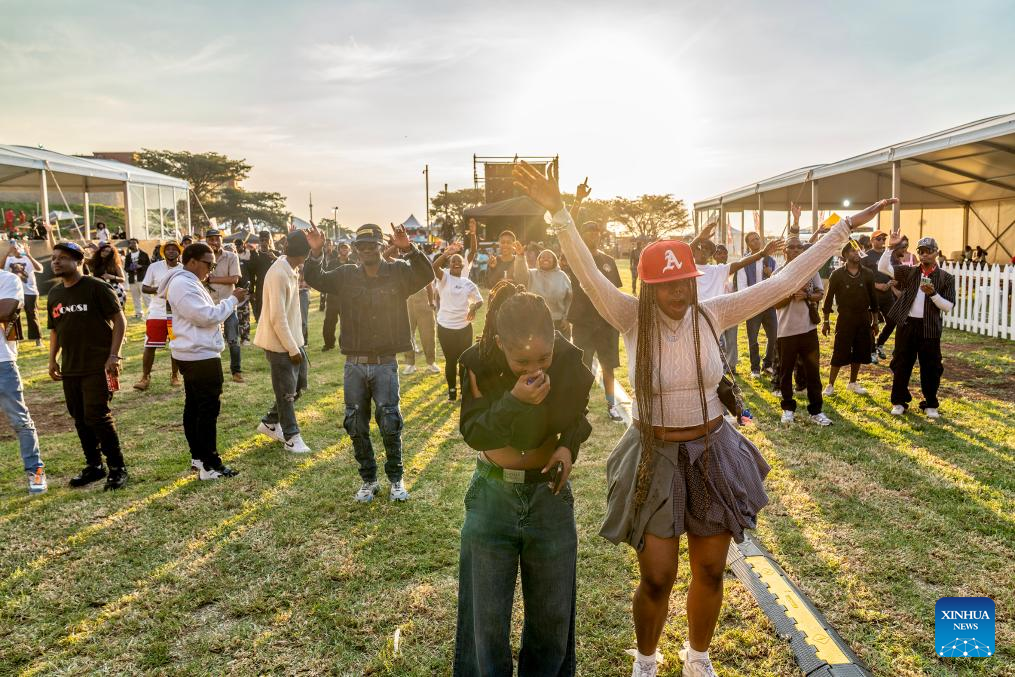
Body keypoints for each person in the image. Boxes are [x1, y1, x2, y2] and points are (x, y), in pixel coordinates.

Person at [513, 163, 897, 677]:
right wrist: (560, 213)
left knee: (711, 570)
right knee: (657, 576)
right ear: (648, 287)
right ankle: (646, 662)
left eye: (685, 283)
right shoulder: (629, 316)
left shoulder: (714, 313)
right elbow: (587, 272)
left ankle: (698, 656)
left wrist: (843, 229)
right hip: (653, 454)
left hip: (712, 450)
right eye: (667, 285)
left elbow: (785, 278)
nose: (679, 293)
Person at [454, 282, 594, 677]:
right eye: (522, 361)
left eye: (543, 358)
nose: (534, 369)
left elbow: (577, 414)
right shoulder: (479, 362)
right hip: (492, 497)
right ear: (500, 344)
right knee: (485, 621)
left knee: (552, 619)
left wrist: (567, 447)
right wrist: (513, 402)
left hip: (548, 497)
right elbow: (475, 432)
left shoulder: (567, 361)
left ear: (556, 338)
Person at [303, 222, 434, 502]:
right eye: (361, 246)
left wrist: (409, 249)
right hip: (354, 364)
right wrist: (315, 252)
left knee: (390, 421)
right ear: (356, 250)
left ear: (380, 246)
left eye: (372, 245)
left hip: (385, 363)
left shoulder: (398, 272)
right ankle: (369, 480)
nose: (366, 250)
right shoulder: (346, 275)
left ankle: (396, 479)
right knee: (355, 423)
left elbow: (426, 273)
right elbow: (316, 278)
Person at [160, 242, 247, 478]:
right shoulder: (182, 284)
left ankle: (199, 458)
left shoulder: (187, 281)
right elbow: (205, 316)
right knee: (206, 410)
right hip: (199, 355)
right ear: (192, 262)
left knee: (196, 407)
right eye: (209, 264)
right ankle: (210, 464)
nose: (212, 269)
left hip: (195, 352)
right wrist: (232, 301)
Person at [47, 241, 129, 491]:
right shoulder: (55, 294)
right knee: (80, 418)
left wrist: (114, 355)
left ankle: (117, 468)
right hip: (71, 366)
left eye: (62, 258)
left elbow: (120, 320)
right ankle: (94, 466)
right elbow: (55, 330)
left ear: (79, 261)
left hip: (98, 364)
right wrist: (52, 359)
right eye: (54, 258)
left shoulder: (97, 287)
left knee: (97, 415)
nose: (56, 262)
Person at [880, 235, 955, 419]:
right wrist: (890, 247)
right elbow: (883, 268)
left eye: (928, 251)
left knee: (931, 367)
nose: (924, 255)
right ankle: (899, 402)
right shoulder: (910, 272)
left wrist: (933, 294)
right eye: (921, 251)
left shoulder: (945, 278)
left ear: (936, 253)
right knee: (901, 364)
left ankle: (930, 404)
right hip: (907, 324)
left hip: (929, 327)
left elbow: (948, 306)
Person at [562, 208, 625, 423]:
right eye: (588, 232)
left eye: (596, 232)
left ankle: (611, 405)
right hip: (583, 322)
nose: (593, 235)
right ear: (581, 236)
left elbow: (615, 291)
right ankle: (580, 405)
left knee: (608, 366)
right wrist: (576, 204)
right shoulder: (576, 259)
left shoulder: (608, 260)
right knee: (583, 366)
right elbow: (565, 234)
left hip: (606, 322)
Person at [254, 231, 312, 453]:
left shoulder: (290, 268)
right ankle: (291, 437)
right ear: (304, 253)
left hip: (294, 340)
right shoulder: (279, 273)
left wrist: (297, 345)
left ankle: (270, 422)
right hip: (280, 345)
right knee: (286, 393)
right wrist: (291, 348)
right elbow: (277, 318)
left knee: (298, 386)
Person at [773, 237, 831, 425]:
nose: (796, 250)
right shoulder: (778, 274)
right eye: (792, 247)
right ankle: (788, 409)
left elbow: (819, 294)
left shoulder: (811, 270)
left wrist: (806, 294)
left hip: (808, 329)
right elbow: (775, 303)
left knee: (813, 372)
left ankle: (816, 411)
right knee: (785, 372)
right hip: (786, 331)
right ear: (785, 251)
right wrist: (792, 293)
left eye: (799, 247)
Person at [0, 267, 47, 494]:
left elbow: (6, 310)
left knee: (20, 420)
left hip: (2, 362)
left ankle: (35, 470)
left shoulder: (8, 279)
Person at [822, 242, 879, 396]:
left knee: (860, 351)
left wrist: (875, 321)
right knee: (839, 351)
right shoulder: (837, 274)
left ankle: (852, 383)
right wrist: (826, 321)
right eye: (853, 251)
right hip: (845, 318)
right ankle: (830, 385)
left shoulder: (868, 273)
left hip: (863, 317)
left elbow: (874, 299)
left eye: (858, 250)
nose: (856, 253)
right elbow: (828, 299)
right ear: (845, 254)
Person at [432, 241, 484, 401]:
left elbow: (480, 300)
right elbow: (434, 267)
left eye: (458, 261)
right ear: (449, 264)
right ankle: (452, 392)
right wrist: (447, 253)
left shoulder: (467, 283)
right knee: (450, 360)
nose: (455, 263)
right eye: (453, 261)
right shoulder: (444, 278)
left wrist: (473, 308)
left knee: (463, 361)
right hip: (445, 327)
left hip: (464, 327)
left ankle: (463, 392)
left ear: (462, 266)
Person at [134, 241, 183, 390]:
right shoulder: (154, 267)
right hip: (157, 312)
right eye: (168, 249)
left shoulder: (183, 269)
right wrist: (161, 289)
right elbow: (145, 288)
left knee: (176, 345)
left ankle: (175, 375)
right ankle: (145, 377)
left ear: (179, 252)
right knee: (150, 345)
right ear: (163, 252)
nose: (171, 251)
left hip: (177, 313)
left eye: (174, 249)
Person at [735, 229, 779, 380]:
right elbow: (742, 287)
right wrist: (754, 299)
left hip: (769, 305)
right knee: (753, 338)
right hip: (753, 306)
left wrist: (770, 274)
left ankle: (768, 364)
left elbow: (778, 283)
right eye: (752, 240)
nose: (756, 241)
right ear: (748, 244)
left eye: (757, 238)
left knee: (774, 336)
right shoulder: (744, 262)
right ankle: (755, 368)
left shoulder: (772, 261)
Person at [204, 229, 244, 383]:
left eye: (217, 239)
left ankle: (236, 371)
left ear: (221, 240)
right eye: (211, 239)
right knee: (209, 341)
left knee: (233, 339)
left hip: (228, 304)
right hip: (208, 305)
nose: (214, 242)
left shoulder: (231, 256)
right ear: (206, 240)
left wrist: (212, 279)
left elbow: (234, 279)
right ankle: (213, 373)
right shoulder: (203, 258)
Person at [513, 241, 572, 337]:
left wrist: (567, 318)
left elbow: (570, 299)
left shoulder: (562, 276)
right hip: (535, 323)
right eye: (542, 257)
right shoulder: (532, 274)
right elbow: (520, 276)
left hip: (559, 323)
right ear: (538, 260)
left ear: (554, 260)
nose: (545, 258)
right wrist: (520, 256)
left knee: (560, 347)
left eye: (549, 257)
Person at [862, 230, 896, 361]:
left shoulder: (888, 255)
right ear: (872, 241)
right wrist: (877, 285)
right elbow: (862, 276)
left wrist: (892, 283)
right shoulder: (866, 256)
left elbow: (894, 271)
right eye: (878, 239)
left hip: (887, 294)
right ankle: (872, 352)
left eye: (884, 239)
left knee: (893, 320)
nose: (882, 241)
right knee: (872, 323)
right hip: (872, 294)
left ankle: (879, 343)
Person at [1, 241, 44, 346]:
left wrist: (29, 255)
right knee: (13, 315)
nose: (15, 249)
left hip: (30, 292)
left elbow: (40, 269)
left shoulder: (27, 259)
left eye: (17, 247)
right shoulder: (9, 259)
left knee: (32, 314)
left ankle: (37, 339)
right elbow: (0, 268)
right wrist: (7, 253)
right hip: (14, 292)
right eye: (13, 248)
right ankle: (15, 339)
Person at [321, 241, 350, 351]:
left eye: (346, 248)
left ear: (349, 250)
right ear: (339, 250)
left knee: (347, 323)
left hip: (347, 299)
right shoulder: (332, 263)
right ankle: (328, 344)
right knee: (329, 322)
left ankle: (345, 344)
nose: (344, 250)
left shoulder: (352, 264)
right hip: (333, 298)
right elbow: (327, 278)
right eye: (342, 248)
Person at [248, 230, 278, 321]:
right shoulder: (255, 255)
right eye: (262, 240)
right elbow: (251, 274)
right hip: (261, 288)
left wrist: (275, 258)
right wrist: (251, 291)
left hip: (275, 288)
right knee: (261, 316)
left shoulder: (276, 254)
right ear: (259, 241)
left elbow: (285, 267)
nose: (264, 242)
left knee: (275, 314)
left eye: (266, 240)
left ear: (270, 240)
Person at [89, 243, 127, 308]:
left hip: (114, 289)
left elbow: (123, 279)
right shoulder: (95, 262)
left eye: (107, 251)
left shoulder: (115, 264)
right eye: (103, 250)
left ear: (111, 254)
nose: (104, 252)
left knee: (117, 310)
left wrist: (111, 276)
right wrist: (85, 246)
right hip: (99, 289)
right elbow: (80, 258)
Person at [123, 238, 151, 320]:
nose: (132, 244)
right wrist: (130, 268)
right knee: (135, 297)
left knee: (146, 296)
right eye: (131, 243)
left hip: (142, 278)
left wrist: (140, 266)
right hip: (132, 279)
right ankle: (139, 313)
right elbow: (126, 268)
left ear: (137, 244)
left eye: (134, 243)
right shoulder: (128, 256)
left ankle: (151, 313)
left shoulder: (144, 254)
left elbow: (149, 266)